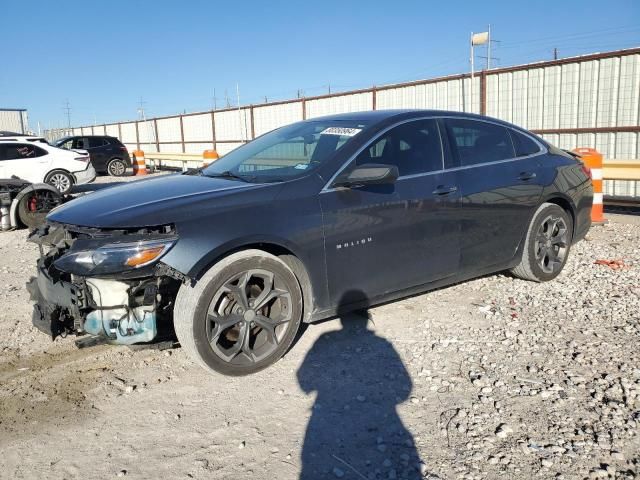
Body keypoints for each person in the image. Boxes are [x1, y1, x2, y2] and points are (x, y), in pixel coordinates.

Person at [297, 294, 424, 479]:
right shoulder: (383, 344)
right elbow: (405, 389)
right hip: (382, 416)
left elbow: (303, 381)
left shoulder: (325, 339)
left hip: (323, 416)